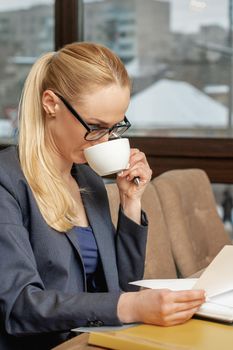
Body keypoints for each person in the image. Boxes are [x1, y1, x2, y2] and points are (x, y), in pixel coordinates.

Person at [0, 42, 205, 350]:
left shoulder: (88, 180)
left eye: (114, 127)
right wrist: (131, 308)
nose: (106, 140)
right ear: (51, 103)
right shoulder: (7, 183)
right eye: (95, 127)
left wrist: (131, 202)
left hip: (99, 341)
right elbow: (20, 307)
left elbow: (119, 289)